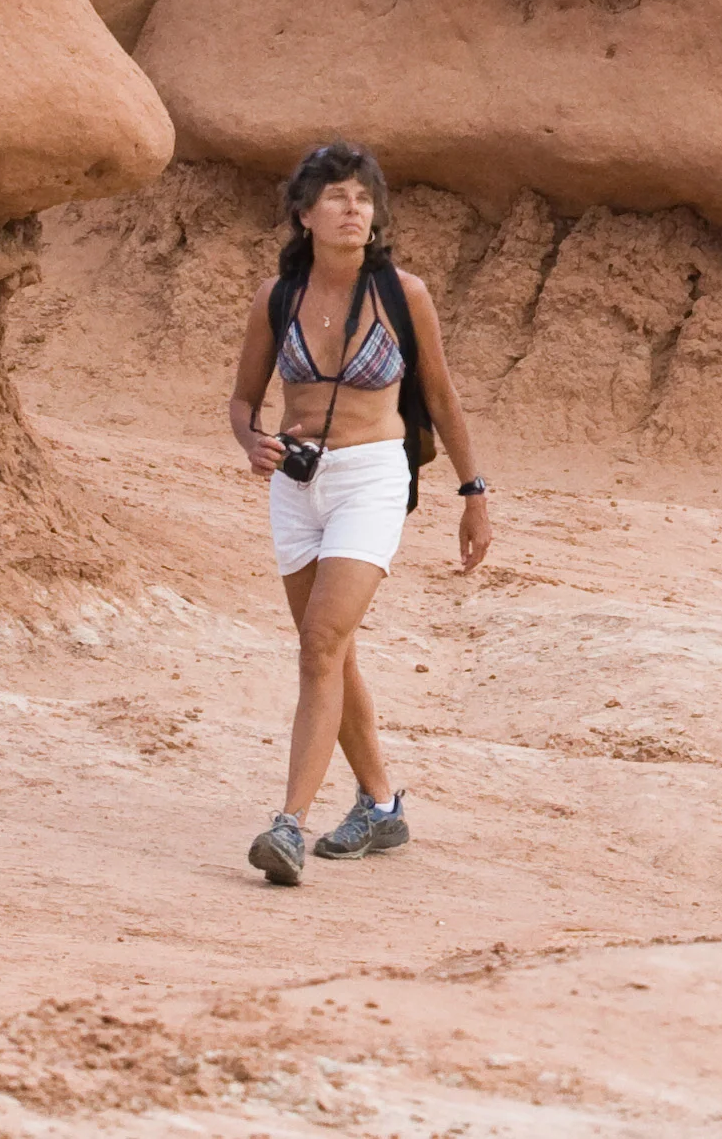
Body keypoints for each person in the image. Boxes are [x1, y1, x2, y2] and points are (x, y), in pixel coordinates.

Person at [228, 140, 491, 885]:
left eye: (364, 198)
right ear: (304, 214)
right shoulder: (275, 297)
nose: (354, 210)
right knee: (332, 653)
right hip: (295, 485)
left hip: (373, 476)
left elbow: (440, 396)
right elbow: (244, 401)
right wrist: (253, 443)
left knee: (318, 643)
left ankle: (287, 825)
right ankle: (380, 806)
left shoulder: (403, 293)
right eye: (338, 197)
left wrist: (473, 495)